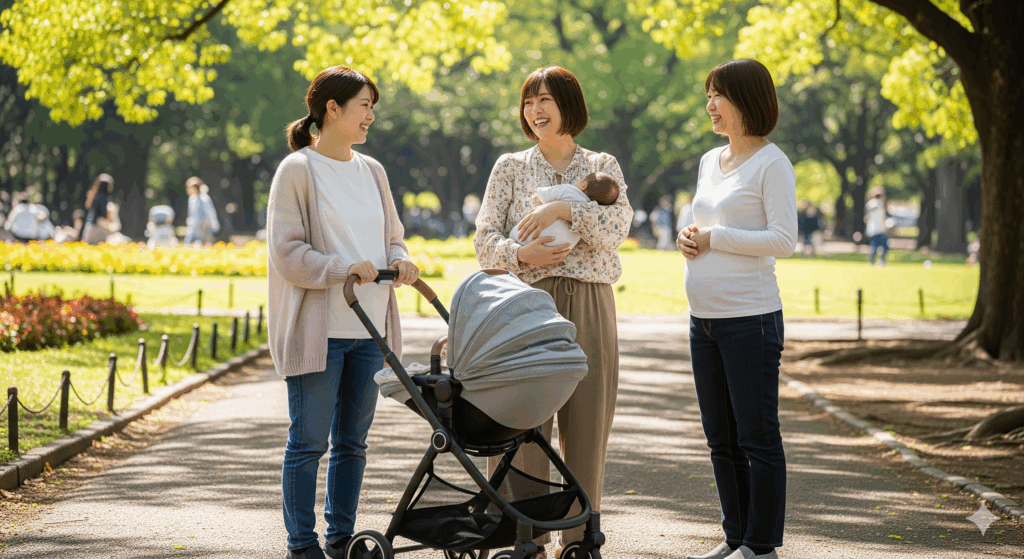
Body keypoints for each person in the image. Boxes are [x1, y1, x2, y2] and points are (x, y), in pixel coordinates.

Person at [474, 65, 633, 558]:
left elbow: (617, 229)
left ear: (569, 105)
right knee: (524, 427)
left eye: (545, 99)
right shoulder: (510, 167)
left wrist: (563, 210)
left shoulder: (601, 164)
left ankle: (581, 539)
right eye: (528, 101)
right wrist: (523, 256)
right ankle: (527, 537)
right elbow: (484, 243)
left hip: (589, 302)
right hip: (525, 307)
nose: (535, 110)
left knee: (587, 427)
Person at [266, 65, 420, 559]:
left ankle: (340, 539)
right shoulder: (297, 171)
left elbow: (392, 236)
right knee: (309, 443)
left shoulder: (372, 170)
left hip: (369, 330)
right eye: (363, 106)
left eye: (372, 107)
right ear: (332, 109)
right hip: (322, 329)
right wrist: (340, 269)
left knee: (353, 443)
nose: (370, 116)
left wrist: (401, 258)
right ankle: (301, 544)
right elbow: (287, 253)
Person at [677, 59, 797, 559]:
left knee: (757, 436)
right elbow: (700, 216)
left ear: (746, 100)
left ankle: (762, 545)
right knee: (720, 439)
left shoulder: (773, 164)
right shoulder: (710, 160)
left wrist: (714, 237)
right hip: (702, 320)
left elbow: (783, 240)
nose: (709, 106)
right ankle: (736, 539)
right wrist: (686, 236)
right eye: (708, 96)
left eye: (717, 96)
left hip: (751, 320)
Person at [509, 171, 620, 250]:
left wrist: (537, 197)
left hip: (528, 238)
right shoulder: (591, 211)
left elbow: (543, 194)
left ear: (584, 185)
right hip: (559, 248)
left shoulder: (568, 190)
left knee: (516, 234)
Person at [81, 173, 114, 245]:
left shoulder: (92, 198)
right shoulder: (105, 200)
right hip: (100, 231)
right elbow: (104, 219)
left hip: (89, 231)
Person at [864, 186, 889, 266]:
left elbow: (866, 218)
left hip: (873, 229)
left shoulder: (869, 204)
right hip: (878, 229)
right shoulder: (879, 204)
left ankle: (872, 261)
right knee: (883, 246)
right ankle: (879, 261)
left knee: (874, 246)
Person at [183, 177, 205, 246]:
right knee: (188, 242)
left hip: (202, 226)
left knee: (201, 242)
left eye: (189, 188)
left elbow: (209, 212)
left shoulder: (204, 198)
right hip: (193, 224)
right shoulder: (192, 199)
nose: (188, 190)